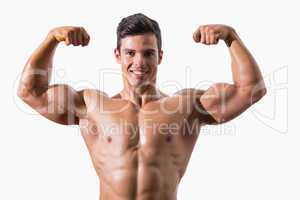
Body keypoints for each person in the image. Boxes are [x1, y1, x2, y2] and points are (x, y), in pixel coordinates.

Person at [17, 13, 267, 200]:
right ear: (117, 55)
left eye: (148, 53)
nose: (139, 62)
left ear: (160, 56)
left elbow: (251, 90)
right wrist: (51, 39)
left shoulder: (186, 107)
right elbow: (30, 91)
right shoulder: (92, 105)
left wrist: (231, 37)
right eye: (130, 53)